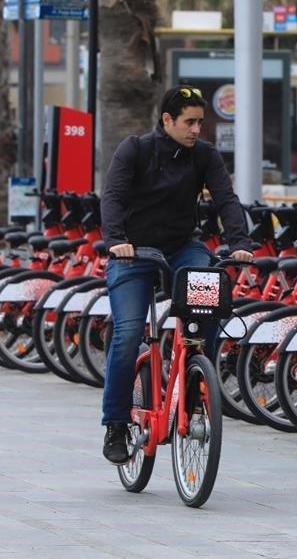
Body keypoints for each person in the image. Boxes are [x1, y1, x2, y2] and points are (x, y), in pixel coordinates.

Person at [99, 85, 254, 463]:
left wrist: (239, 242)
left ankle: (196, 377)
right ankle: (116, 424)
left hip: (182, 247)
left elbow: (225, 199)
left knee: (210, 296)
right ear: (167, 120)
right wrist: (117, 240)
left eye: (201, 121)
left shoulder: (204, 156)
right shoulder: (134, 150)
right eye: (190, 122)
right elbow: (113, 197)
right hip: (133, 252)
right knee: (129, 333)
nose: (197, 129)